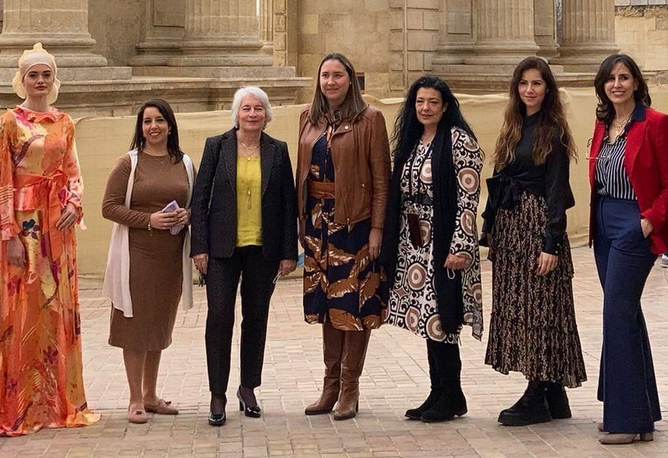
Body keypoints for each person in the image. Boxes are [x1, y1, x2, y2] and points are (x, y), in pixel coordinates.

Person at [0, 44, 99, 436]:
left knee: (55, 307)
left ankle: (57, 401)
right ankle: (18, 403)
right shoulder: (9, 122)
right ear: (22, 79)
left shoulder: (64, 122)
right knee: (24, 307)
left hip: (58, 228)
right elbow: (1, 179)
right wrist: (9, 233)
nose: (40, 81)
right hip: (26, 225)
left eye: (46, 74)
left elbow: (73, 170)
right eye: (33, 74)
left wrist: (74, 203)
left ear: (54, 79)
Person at [482, 56, 584, 426]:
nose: (529, 90)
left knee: (540, 309)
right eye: (524, 83)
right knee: (522, 307)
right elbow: (498, 179)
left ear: (547, 89)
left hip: (537, 226)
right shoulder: (512, 126)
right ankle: (553, 395)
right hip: (511, 229)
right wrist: (490, 225)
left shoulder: (552, 131)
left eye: (537, 83)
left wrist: (551, 243)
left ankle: (537, 392)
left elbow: (557, 190)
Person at [587, 52, 668, 445]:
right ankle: (640, 410)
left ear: (637, 83)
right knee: (625, 314)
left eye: (625, 77)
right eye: (610, 78)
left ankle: (626, 419)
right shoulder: (602, 123)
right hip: (604, 224)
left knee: (616, 314)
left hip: (634, 223)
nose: (617, 84)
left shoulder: (656, 123)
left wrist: (648, 221)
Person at [188, 88, 297, 426]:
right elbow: (200, 197)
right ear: (236, 114)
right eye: (246, 108)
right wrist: (199, 247)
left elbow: (287, 204)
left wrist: (288, 252)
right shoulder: (216, 147)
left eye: (258, 109)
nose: (252, 114)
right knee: (219, 317)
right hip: (222, 249)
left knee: (256, 318)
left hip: (262, 250)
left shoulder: (277, 150)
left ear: (266, 114)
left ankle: (248, 387)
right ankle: (217, 393)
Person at [384, 75, 483, 424]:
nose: (426, 108)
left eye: (433, 102)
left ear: (445, 106)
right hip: (414, 243)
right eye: (420, 102)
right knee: (429, 322)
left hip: (444, 243)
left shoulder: (458, 141)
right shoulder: (412, 140)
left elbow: (468, 198)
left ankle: (452, 395)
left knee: (443, 317)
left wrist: (460, 246)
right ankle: (438, 391)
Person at [297, 52, 389, 419]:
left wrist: (378, 229)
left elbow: (382, 179)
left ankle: (350, 387)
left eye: (338, 75)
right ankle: (329, 385)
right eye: (325, 75)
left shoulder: (370, 119)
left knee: (352, 307)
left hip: (355, 225)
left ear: (350, 80)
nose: (331, 82)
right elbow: (302, 171)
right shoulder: (308, 117)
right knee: (326, 307)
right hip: (317, 224)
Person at [103, 99, 196, 424]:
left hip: (170, 258)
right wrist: (148, 220)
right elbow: (109, 207)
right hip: (136, 255)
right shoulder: (128, 163)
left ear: (170, 125)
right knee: (135, 326)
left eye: (159, 121)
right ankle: (134, 398)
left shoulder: (184, 163)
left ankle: (152, 395)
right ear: (140, 128)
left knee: (158, 323)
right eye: (147, 122)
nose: (153, 127)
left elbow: (195, 204)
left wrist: (186, 215)